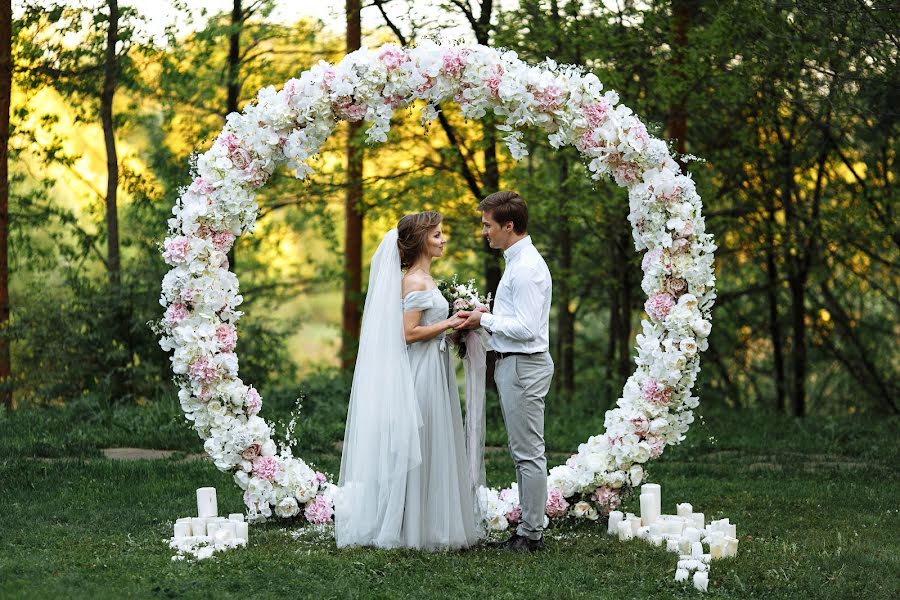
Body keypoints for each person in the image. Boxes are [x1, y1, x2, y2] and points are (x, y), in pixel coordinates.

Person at [335, 211, 483, 551]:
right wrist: (448, 325)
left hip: (435, 366)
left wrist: (455, 327)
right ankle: (407, 526)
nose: (443, 239)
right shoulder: (415, 282)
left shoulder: (426, 279)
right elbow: (407, 333)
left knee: (433, 440)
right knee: (419, 441)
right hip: (420, 372)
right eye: (437, 235)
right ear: (420, 242)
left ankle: (428, 521)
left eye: (441, 234)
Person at [456, 191, 554, 553]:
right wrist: (486, 315)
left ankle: (531, 535)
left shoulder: (527, 268)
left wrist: (485, 318)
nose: (484, 232)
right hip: (515, 365)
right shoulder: (517, 261)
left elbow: (527, 328)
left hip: (524, 366)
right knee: (522, 450)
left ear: (508, 226)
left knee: (528, 452)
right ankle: (529, 529)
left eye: (487, 225)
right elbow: (518, 319)